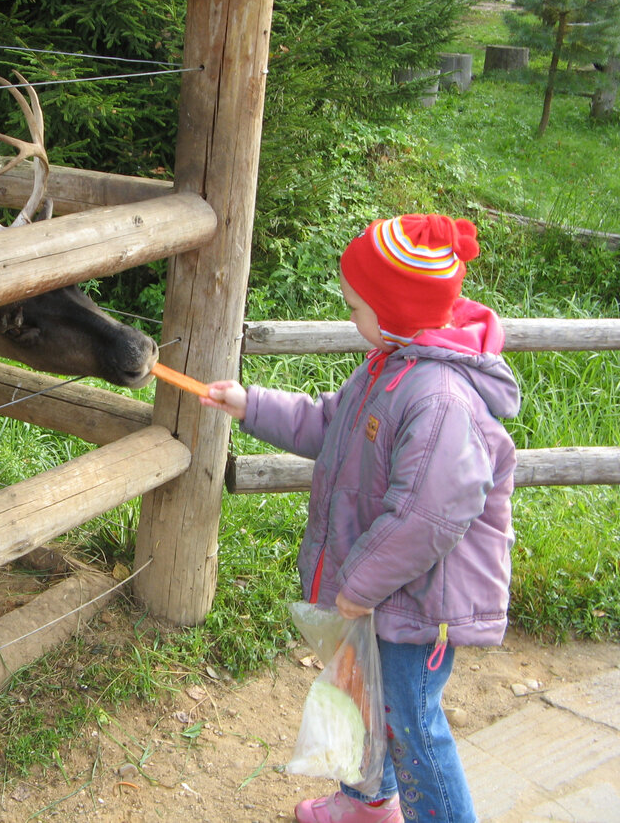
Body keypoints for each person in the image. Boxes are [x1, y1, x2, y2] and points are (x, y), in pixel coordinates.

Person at [203, 214, 520, 823]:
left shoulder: (439, 400)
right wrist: (250, 405)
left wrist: (356, 588)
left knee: (413, 725)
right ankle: (369, 805)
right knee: (371, 702)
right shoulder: (389, 365)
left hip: (418, 605)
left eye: (356, 305)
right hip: (382, 594)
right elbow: (329, 424)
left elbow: (425, 517)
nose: (349, 314)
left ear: (395, 311)